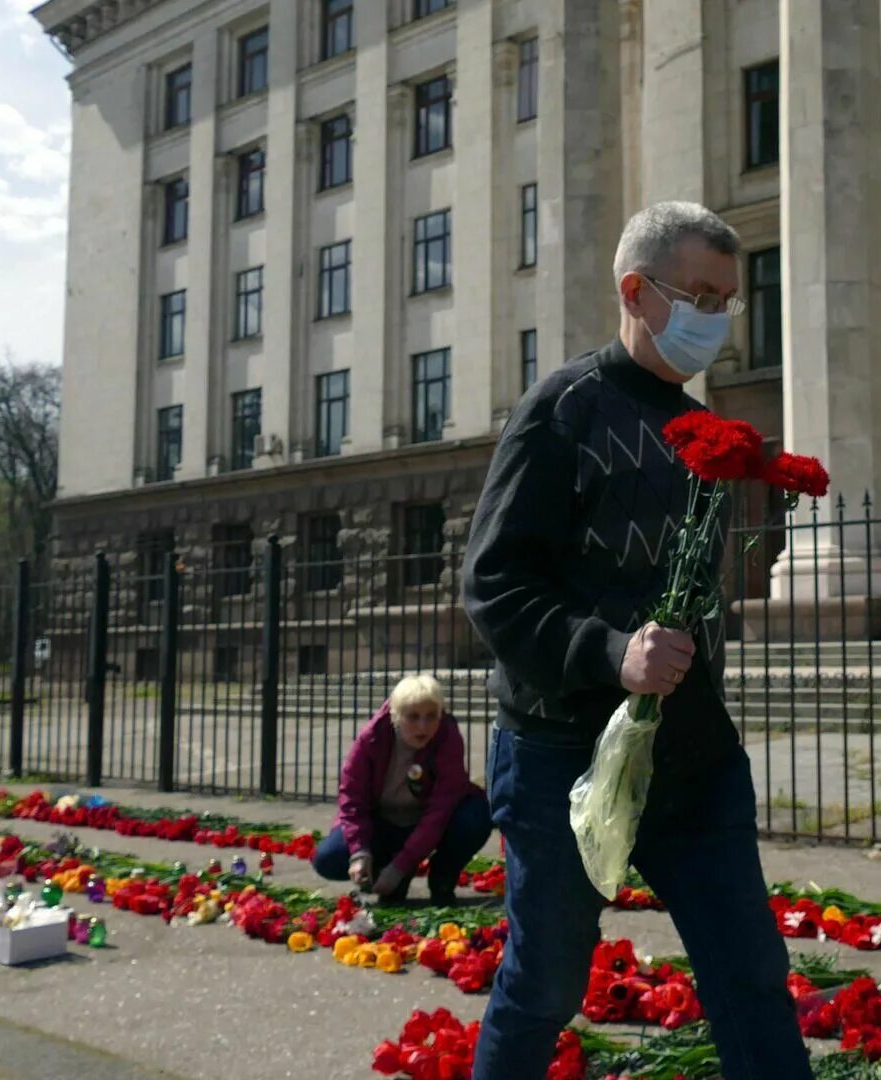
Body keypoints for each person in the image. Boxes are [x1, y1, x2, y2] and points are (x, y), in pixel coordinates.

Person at [462, 202, 810, 1079]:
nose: (718, 317)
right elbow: (492, 586)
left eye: (729, 299)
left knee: (751, 976)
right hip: (561, 758)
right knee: (544, 982)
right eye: (700, 293)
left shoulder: (704, 429)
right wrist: (609, 651)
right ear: (636, 291)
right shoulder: (565, 410)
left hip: (692, 758)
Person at [313, 674, 492, 904]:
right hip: (382, 821)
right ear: (395, 717)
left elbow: (441, 808)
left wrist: (400, 866)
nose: (423, 727)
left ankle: (442, 878)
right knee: (328, 858)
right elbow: (352, 798)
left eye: (431, 717)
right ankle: (380, 871)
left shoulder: (447, 737)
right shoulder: (371, 739)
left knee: (475, 816)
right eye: (413, 717)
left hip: (425, 820)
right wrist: (360, 852)